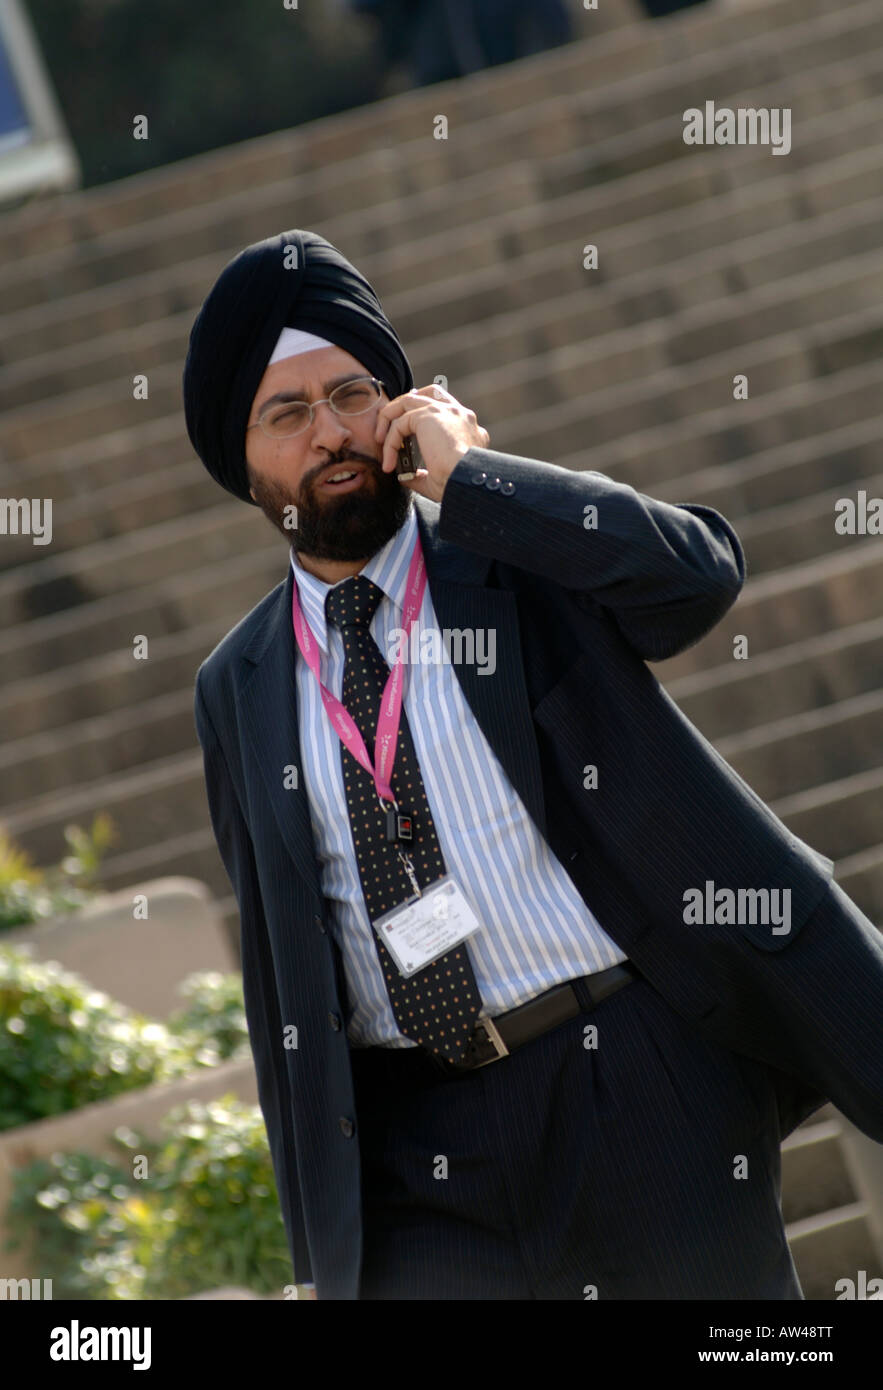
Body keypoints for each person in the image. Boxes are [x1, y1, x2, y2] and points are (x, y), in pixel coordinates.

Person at [183, 228, 883, 1300]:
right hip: (423, 1158)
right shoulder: (237, 685)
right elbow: (285, 955)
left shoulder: (510, 552)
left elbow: (695, 580)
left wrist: (480, 482)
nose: (330, 432)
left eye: (353, 393)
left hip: (630, 1083)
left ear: (403, 406)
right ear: (242, 463)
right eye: (287, 413)